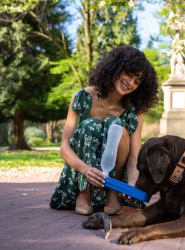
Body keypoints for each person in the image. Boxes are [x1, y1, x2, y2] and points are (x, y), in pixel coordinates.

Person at [50, 45, 158, 215]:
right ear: (116, 68)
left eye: (137, 81)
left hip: (115, 180)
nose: (131, 83)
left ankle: (113, 195)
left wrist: (131, 184)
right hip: (82, 173)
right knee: (89, 125)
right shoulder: (82, 97)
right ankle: (84, 194)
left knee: (116, 124)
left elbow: (134, 156)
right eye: (129, 75)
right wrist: (85, 170)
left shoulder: (134, 111)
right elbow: (64, 147)